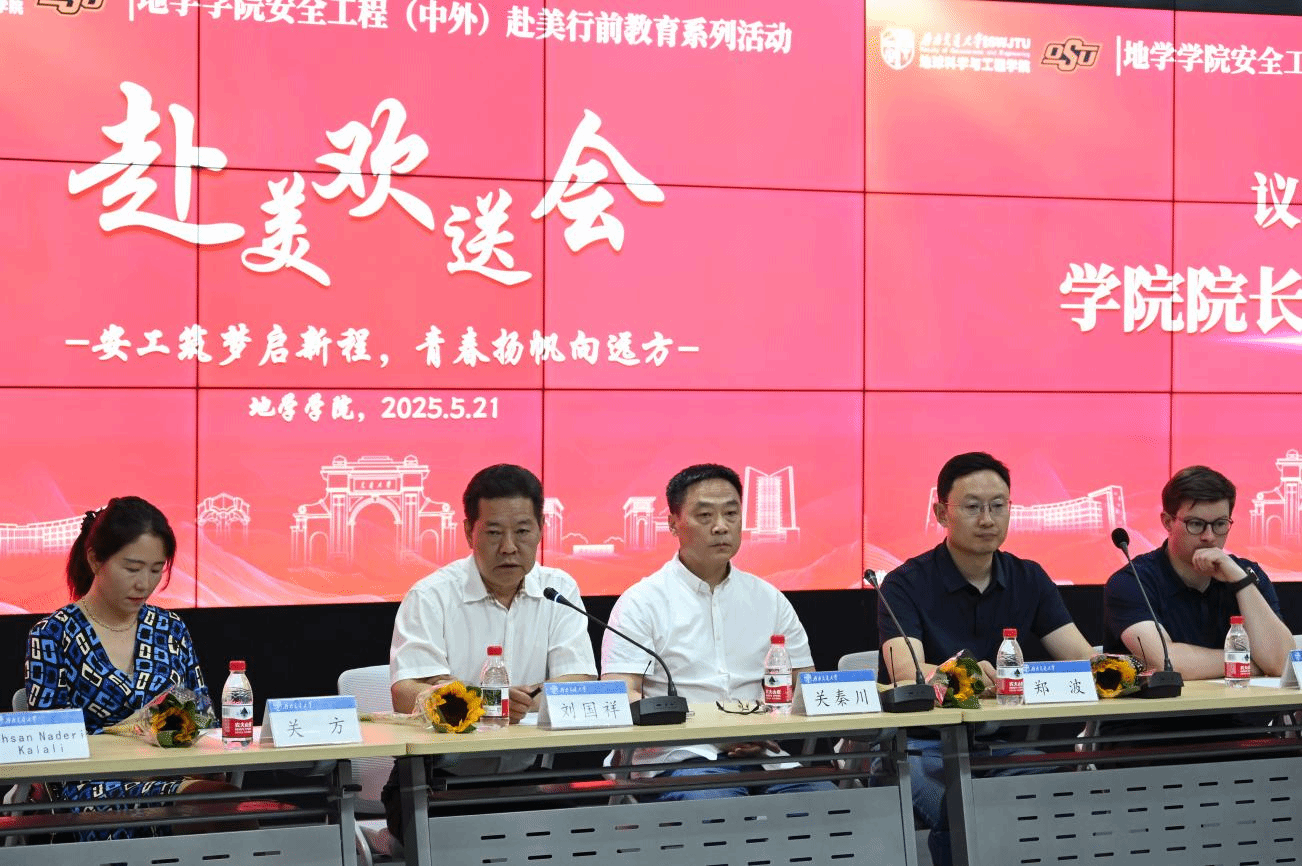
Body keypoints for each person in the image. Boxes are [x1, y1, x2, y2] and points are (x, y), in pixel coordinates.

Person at [877, 452, 1094, 866]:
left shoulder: (1029, 578)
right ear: (942, 513)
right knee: (960, 806)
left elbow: (1082, 660)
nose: (987, 520)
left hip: (1003, 746)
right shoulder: (905, 584)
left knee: (1058, 792)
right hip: (921, 748)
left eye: (998, 506)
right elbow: (908, 674)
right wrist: (969, 676)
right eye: (973, 507)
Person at [382, 464, 598, 840]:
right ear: (469, 531)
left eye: (522, 531)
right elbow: (405, 692)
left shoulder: (558, 591)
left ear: (541, 529)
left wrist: (521, 702)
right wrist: (483, 703)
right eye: (494, 533)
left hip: (526, 780)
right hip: (435, 782)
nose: (509, 547)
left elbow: (578, 683)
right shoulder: (431, 596)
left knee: (584, 836)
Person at [601, 463, 835, 799]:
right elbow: (621, 696)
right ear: (672, 523)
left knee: (825, 799)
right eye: (705, 515)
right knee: (715, 801)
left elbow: (806, 689)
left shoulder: (768, 599)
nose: (721, 526)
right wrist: (711, 732)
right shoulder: (641, 603)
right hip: (677, 759)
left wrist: (763, 729)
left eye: (731, 513)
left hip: (762, 757)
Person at [25, 496, 226, 840]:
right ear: (95, 560)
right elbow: (50, 743)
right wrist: (138, 731)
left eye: (156, 570)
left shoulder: (170, 628)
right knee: (208, 807)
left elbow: (203, 717)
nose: (144, 583)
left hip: (173, 774)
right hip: (93, 789)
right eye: (132, 569)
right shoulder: (53, 635)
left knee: (223, 805)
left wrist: (139, 732)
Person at [1103, 465, 1293, 680]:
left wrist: (1241, 582)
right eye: (1196, 524)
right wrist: (1250, 663)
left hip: (1242, 702)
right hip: (1170, 703)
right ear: (1167, 522)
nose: (1209, 536)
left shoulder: (1247, 573)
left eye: (1220, 524)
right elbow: (1165, 662)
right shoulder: (1131, 582)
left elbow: (1281, 663)